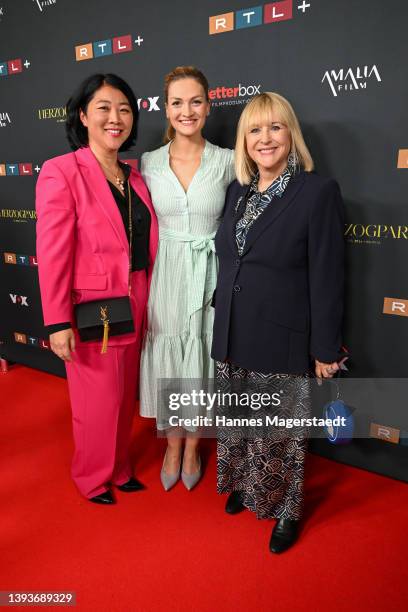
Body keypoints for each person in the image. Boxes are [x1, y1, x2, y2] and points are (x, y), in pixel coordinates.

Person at [211, 92, 345, 552]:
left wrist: (326, 347)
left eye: (274, 128)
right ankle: (246, 487)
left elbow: (328, 275)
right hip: (231, 331)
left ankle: (287, 511)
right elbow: (232, 260)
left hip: (282, 336)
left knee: (279, 434)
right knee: (239, 423)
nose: (264, 139)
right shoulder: (236, 191)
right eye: (254, 130)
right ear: (243, 141)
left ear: (291, 134)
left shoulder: (316, 193)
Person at [36, 73, 158, 504]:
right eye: (104, 108)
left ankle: (120, 467)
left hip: (137, 298)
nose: (115, 117)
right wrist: (56, 322)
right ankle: (91, 476)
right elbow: (52, 253)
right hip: (92, 308)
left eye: (124, 109)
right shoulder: (61, 172)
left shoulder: (135, 175)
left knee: (123, 396)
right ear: (83, 115)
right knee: (95, 401)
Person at [139, 66, 235, 490]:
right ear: (166, 107)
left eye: (195, 101)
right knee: (169, 353)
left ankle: (193, 444)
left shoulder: (230, 161)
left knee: (201, 353)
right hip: (166, 272)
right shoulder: (148, 162)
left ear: (209, 106)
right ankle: (172, 443)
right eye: (177, 102)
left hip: (210, 270)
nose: (187, 110)